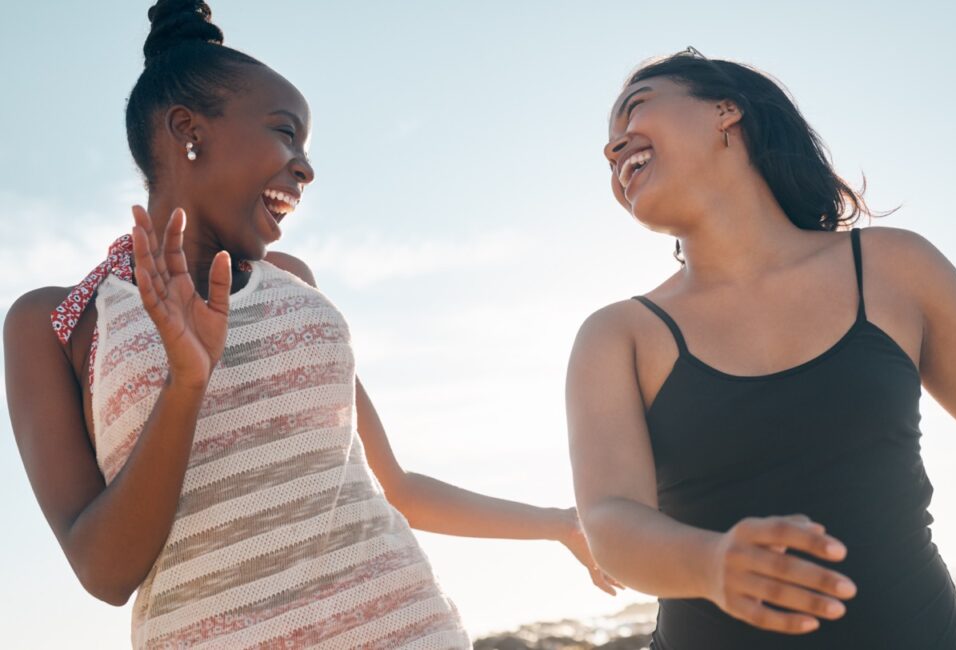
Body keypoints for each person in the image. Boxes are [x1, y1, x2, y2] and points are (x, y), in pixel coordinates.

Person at [3, 1, 619, 647]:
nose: (305, 165)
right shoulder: (58, 319)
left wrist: (561, 521)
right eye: (284, 132)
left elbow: (397, 488)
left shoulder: (294, 281)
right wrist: (186, 384)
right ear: (190, 132)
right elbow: (106, 573)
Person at [566, 47, 956, 649]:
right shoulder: (617, 335)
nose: (614, 147)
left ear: (726, 111)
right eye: (608, 140)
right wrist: (710, 562)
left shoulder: (895, 268)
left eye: (635, 111)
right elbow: (610, 524)